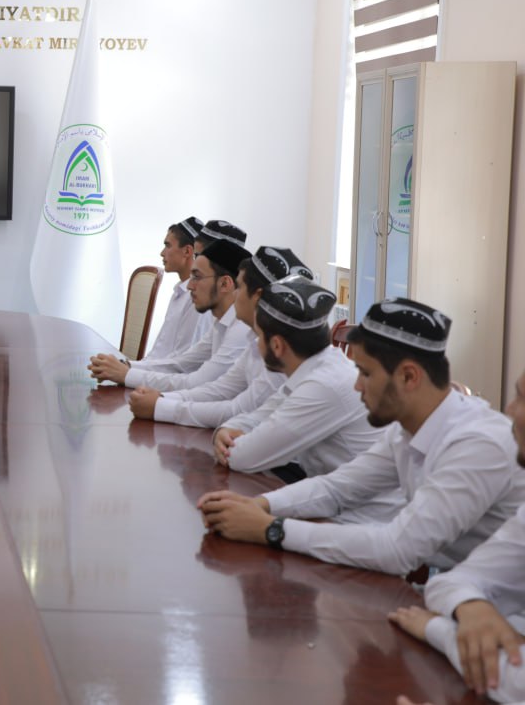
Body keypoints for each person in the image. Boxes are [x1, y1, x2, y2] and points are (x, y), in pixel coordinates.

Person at [198, 298, 525, 577]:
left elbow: (397, 550)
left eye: (365, 373)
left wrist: (270, 528)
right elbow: (337, 488)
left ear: (409, 376)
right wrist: (259, 505)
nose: (357, 386)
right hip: (458, 584)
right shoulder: (406, 429)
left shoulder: (477, 444)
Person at [389, 369, 525, 701]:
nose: (510, 410)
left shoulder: (484, 443)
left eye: (522, 398)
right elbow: (452, 581)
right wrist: (469, 605)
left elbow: (516, 681)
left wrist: (437, 629)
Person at [212, 277, 392, 488]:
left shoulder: (324, 385)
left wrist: (226, 441)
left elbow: (243, 457)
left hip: (354, 505)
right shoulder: (314, 368)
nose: (257, 344)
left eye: (259, 336)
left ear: (277, 346)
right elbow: (258, 417)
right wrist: (226, 429)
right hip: (330, 493)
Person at [129, 246, 309, 428]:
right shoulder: (255, 339)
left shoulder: (269, 347)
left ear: (258, 296)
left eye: (240, 287)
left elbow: (237, 410)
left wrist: (159, 405)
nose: (234, 294)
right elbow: (221, 390)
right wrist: (160, 399)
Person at [90, 239, 251, 391]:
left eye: (196, 277)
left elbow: (196, 383)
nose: (190, 286)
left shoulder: (241, 330)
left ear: (225, 283)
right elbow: (180, 364)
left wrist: (126, 375)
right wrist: (126, 366)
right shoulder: (221, 323)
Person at [142, 216, 204, 361]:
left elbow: (179, 361)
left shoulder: (195, 297)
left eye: (168, 245)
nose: (162, 253)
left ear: (187, 251)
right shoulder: (179, 291)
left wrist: (129, 370)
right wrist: (128, 367)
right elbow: (159, 353)